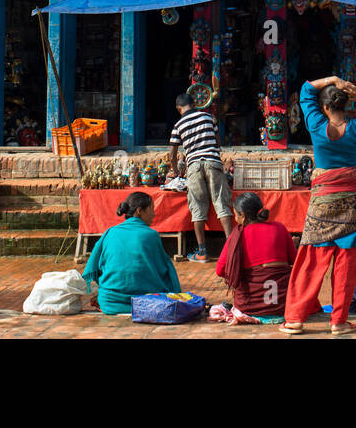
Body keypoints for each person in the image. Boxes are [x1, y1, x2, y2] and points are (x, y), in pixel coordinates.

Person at [282, 75, 356, 335]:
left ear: (324, 108)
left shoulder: (315, 123)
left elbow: (305, 90)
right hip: (353, 207)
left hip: (321, 205)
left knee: (311, 262)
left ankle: (295, 319)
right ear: (347, 105)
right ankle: (337, 321)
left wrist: (334, 79)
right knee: (347, 265)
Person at [82, 191, 181, 315]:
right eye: (151, 209)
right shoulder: (151, 235)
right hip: (147, 303)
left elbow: (96, 267)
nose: (154, 214)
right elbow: (164, 271)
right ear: (139, 210)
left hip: (110, 302)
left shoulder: (110, 232)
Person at [167, 92, 233, 262]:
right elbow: (218, 142)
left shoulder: (178, 125)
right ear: (194, 103)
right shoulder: (207, 116)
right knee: (222, 203)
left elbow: (172, 153)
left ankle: (202, 252)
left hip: (194, 166)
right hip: (213, 161)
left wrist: (174, 170)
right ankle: (231, 248)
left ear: (178, 108)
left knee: (197, 209)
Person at [216, 192, 296, 320]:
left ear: (242, 216)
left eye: (236, 215)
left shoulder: (237, 235)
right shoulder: (280, 228)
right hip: (283, 304)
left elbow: (220, 270)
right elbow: (294, 260)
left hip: (249, 306)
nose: (235, 219)